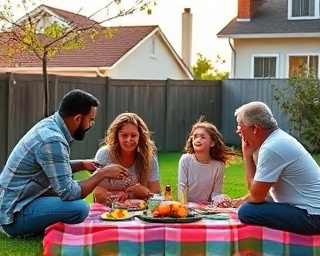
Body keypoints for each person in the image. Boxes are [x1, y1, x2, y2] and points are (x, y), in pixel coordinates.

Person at [0, 89, 128, 237]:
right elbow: (69, 192)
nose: (91, 124)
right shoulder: (52, 139)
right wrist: (102, 174)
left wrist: (81, 164)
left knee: (71, 204)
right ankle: (37, 229)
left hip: (20, 202)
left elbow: (51, 168)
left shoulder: (50, 126)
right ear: (78, 119)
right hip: (15, 215)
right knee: (79, 208)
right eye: (91, 119)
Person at [233, 101, 320, 235]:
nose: (239, 132)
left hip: (312, 216)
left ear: (255, 128)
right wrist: (245, 199)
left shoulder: (272, 147)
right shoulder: (277, 140)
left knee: (246, 211)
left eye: (240, 128)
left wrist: (247, 156)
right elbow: (261, 192)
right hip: (311, 211)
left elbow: (257, 196)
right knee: (249, 206)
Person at [93, 112, 161, 206]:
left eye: (133, 135)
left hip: (140, 212)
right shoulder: (105, 155)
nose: (129, 140)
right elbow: (98, 194)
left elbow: (156, 194)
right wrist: (117, 196)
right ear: (117, 136)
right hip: (110, 214)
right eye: (124, 135)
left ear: (140, 136)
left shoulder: (149, 157)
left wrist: (144, 192)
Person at [178, 116, 237, 203]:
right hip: (187, 206)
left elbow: (216, 193)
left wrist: (221, 200)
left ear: (212, 143)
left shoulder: (218, 165)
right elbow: (182, 189)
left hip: (207, 208)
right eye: (195, 136)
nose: (198, 140)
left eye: (202, 137)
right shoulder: (185, 160)